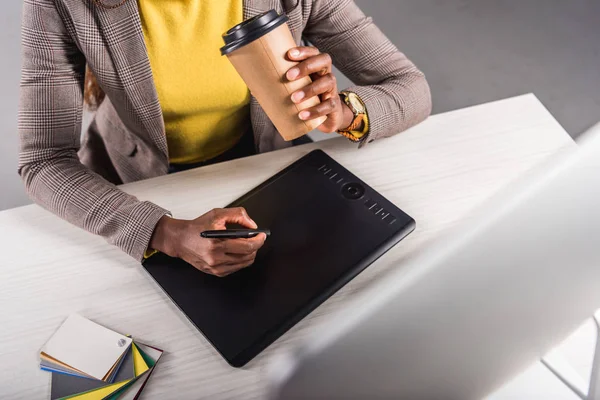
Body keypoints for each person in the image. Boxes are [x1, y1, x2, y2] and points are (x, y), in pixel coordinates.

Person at [18, 0, 431, 277]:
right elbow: (43, 162)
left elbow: (409, 87)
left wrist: (339, 112)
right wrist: (164, 233)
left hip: (265, 162)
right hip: (141, 180)